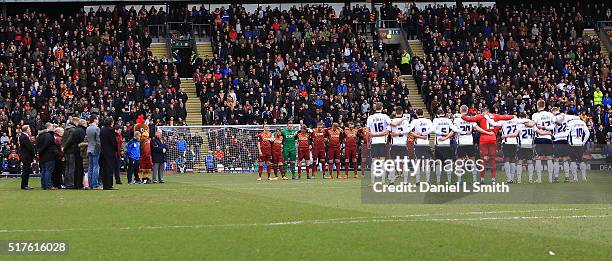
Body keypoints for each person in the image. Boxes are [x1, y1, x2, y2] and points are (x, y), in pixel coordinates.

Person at [36, 123, 57, 190]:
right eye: (52, 126)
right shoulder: (49, 135)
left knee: (43, 171)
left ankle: (43, 185)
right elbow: (48, 144)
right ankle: (48, 185)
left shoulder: (39, 136)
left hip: (42, 156)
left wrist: (40, 151)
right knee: (48, 171)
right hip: (49, 155)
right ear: (48, 127)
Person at [99, 118, 118, 190]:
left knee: (104, 168)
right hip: (110, 151)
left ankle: (105, 184)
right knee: (109, 168)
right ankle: (109, 185)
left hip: (103, 151)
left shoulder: (102, 130)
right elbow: (113, 141)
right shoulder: (110, 130)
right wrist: (116, 149)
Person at [18, 125, 35, 190]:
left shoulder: (23, 136)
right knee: (26, 171)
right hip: (26, 156)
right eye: (29, 129)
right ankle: (24, 185)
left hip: (26, 156)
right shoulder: (24, 137)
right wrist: (33, 154)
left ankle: (25, 184)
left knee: (26, 170)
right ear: (26, 130)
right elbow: (29, 147)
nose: (30, 130)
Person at [86, 115, 101, 189]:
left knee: (90, 167)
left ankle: (90, 184)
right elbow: (98, 141)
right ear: (95, 120)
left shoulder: (88, 128)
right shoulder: (97, 128)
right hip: (95, 148)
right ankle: (95, 184)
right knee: (96, 167)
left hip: (89, 148)